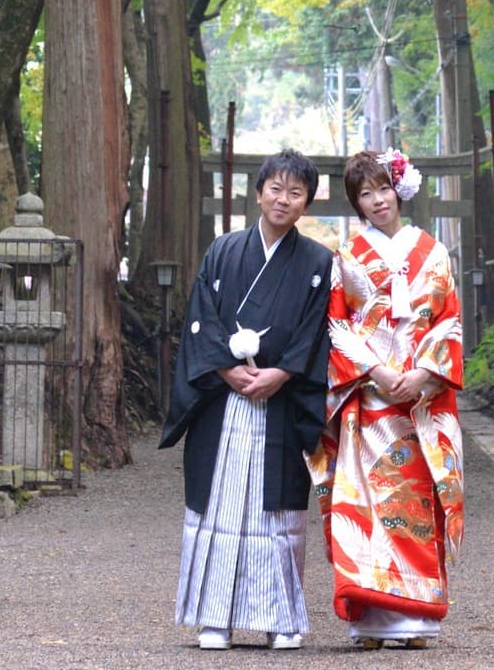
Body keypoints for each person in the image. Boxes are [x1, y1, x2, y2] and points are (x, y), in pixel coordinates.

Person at [159, 148, 334, 651]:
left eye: (295, 192)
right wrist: (225, 369)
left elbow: (317, 332)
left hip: (279, 404)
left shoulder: (320, 262)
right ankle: (215, 617)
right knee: (219, 505)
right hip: (223, 400)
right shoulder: (223, 251)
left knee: (275, 513)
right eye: (275, 189)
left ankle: (281, 617)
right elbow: (201, 318)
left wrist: (281, 373)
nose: (283, 199)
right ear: (258, 194)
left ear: (307, 203)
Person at [310, 148, 464, 650]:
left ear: (400, 188)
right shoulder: (348, 256)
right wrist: (376, 370)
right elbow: (337, 326)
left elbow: (448, 321)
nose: (377, 201)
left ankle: (418, 618)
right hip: (370, 399)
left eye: (382, 189)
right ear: (356, 203)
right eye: (365, 194)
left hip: (419, 401)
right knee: (369, 507)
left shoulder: (434, 252)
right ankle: (372, 619)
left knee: (415, 505)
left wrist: (422, 373)